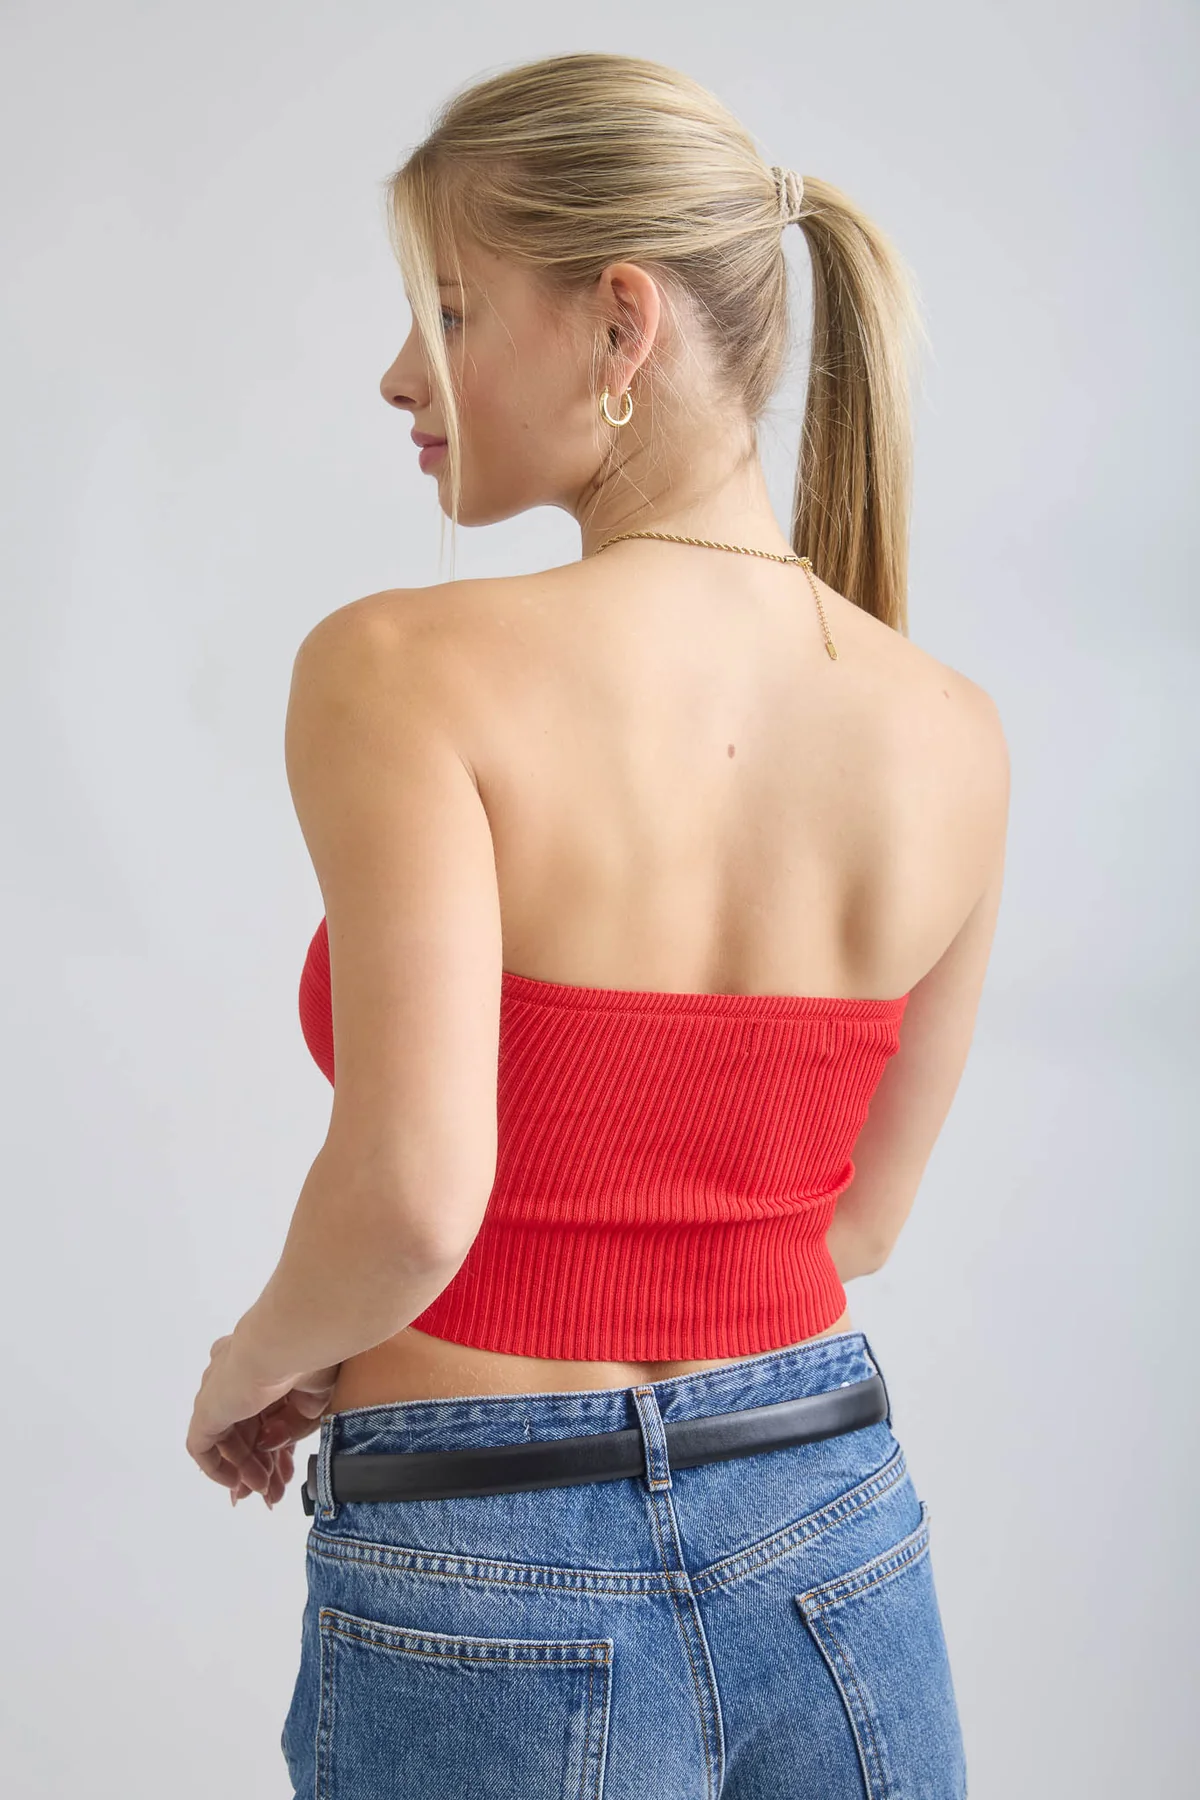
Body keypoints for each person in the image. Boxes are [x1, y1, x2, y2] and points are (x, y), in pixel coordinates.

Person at [186, 50, 1007, 1798]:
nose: (402, 374)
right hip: (837, 1531)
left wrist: (255, 1361)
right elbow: (858, 1222)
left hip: (490, 1551)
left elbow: (414, 1199)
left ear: (622, 322)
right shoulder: (951, 729)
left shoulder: (401, 667)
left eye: (451, 309)